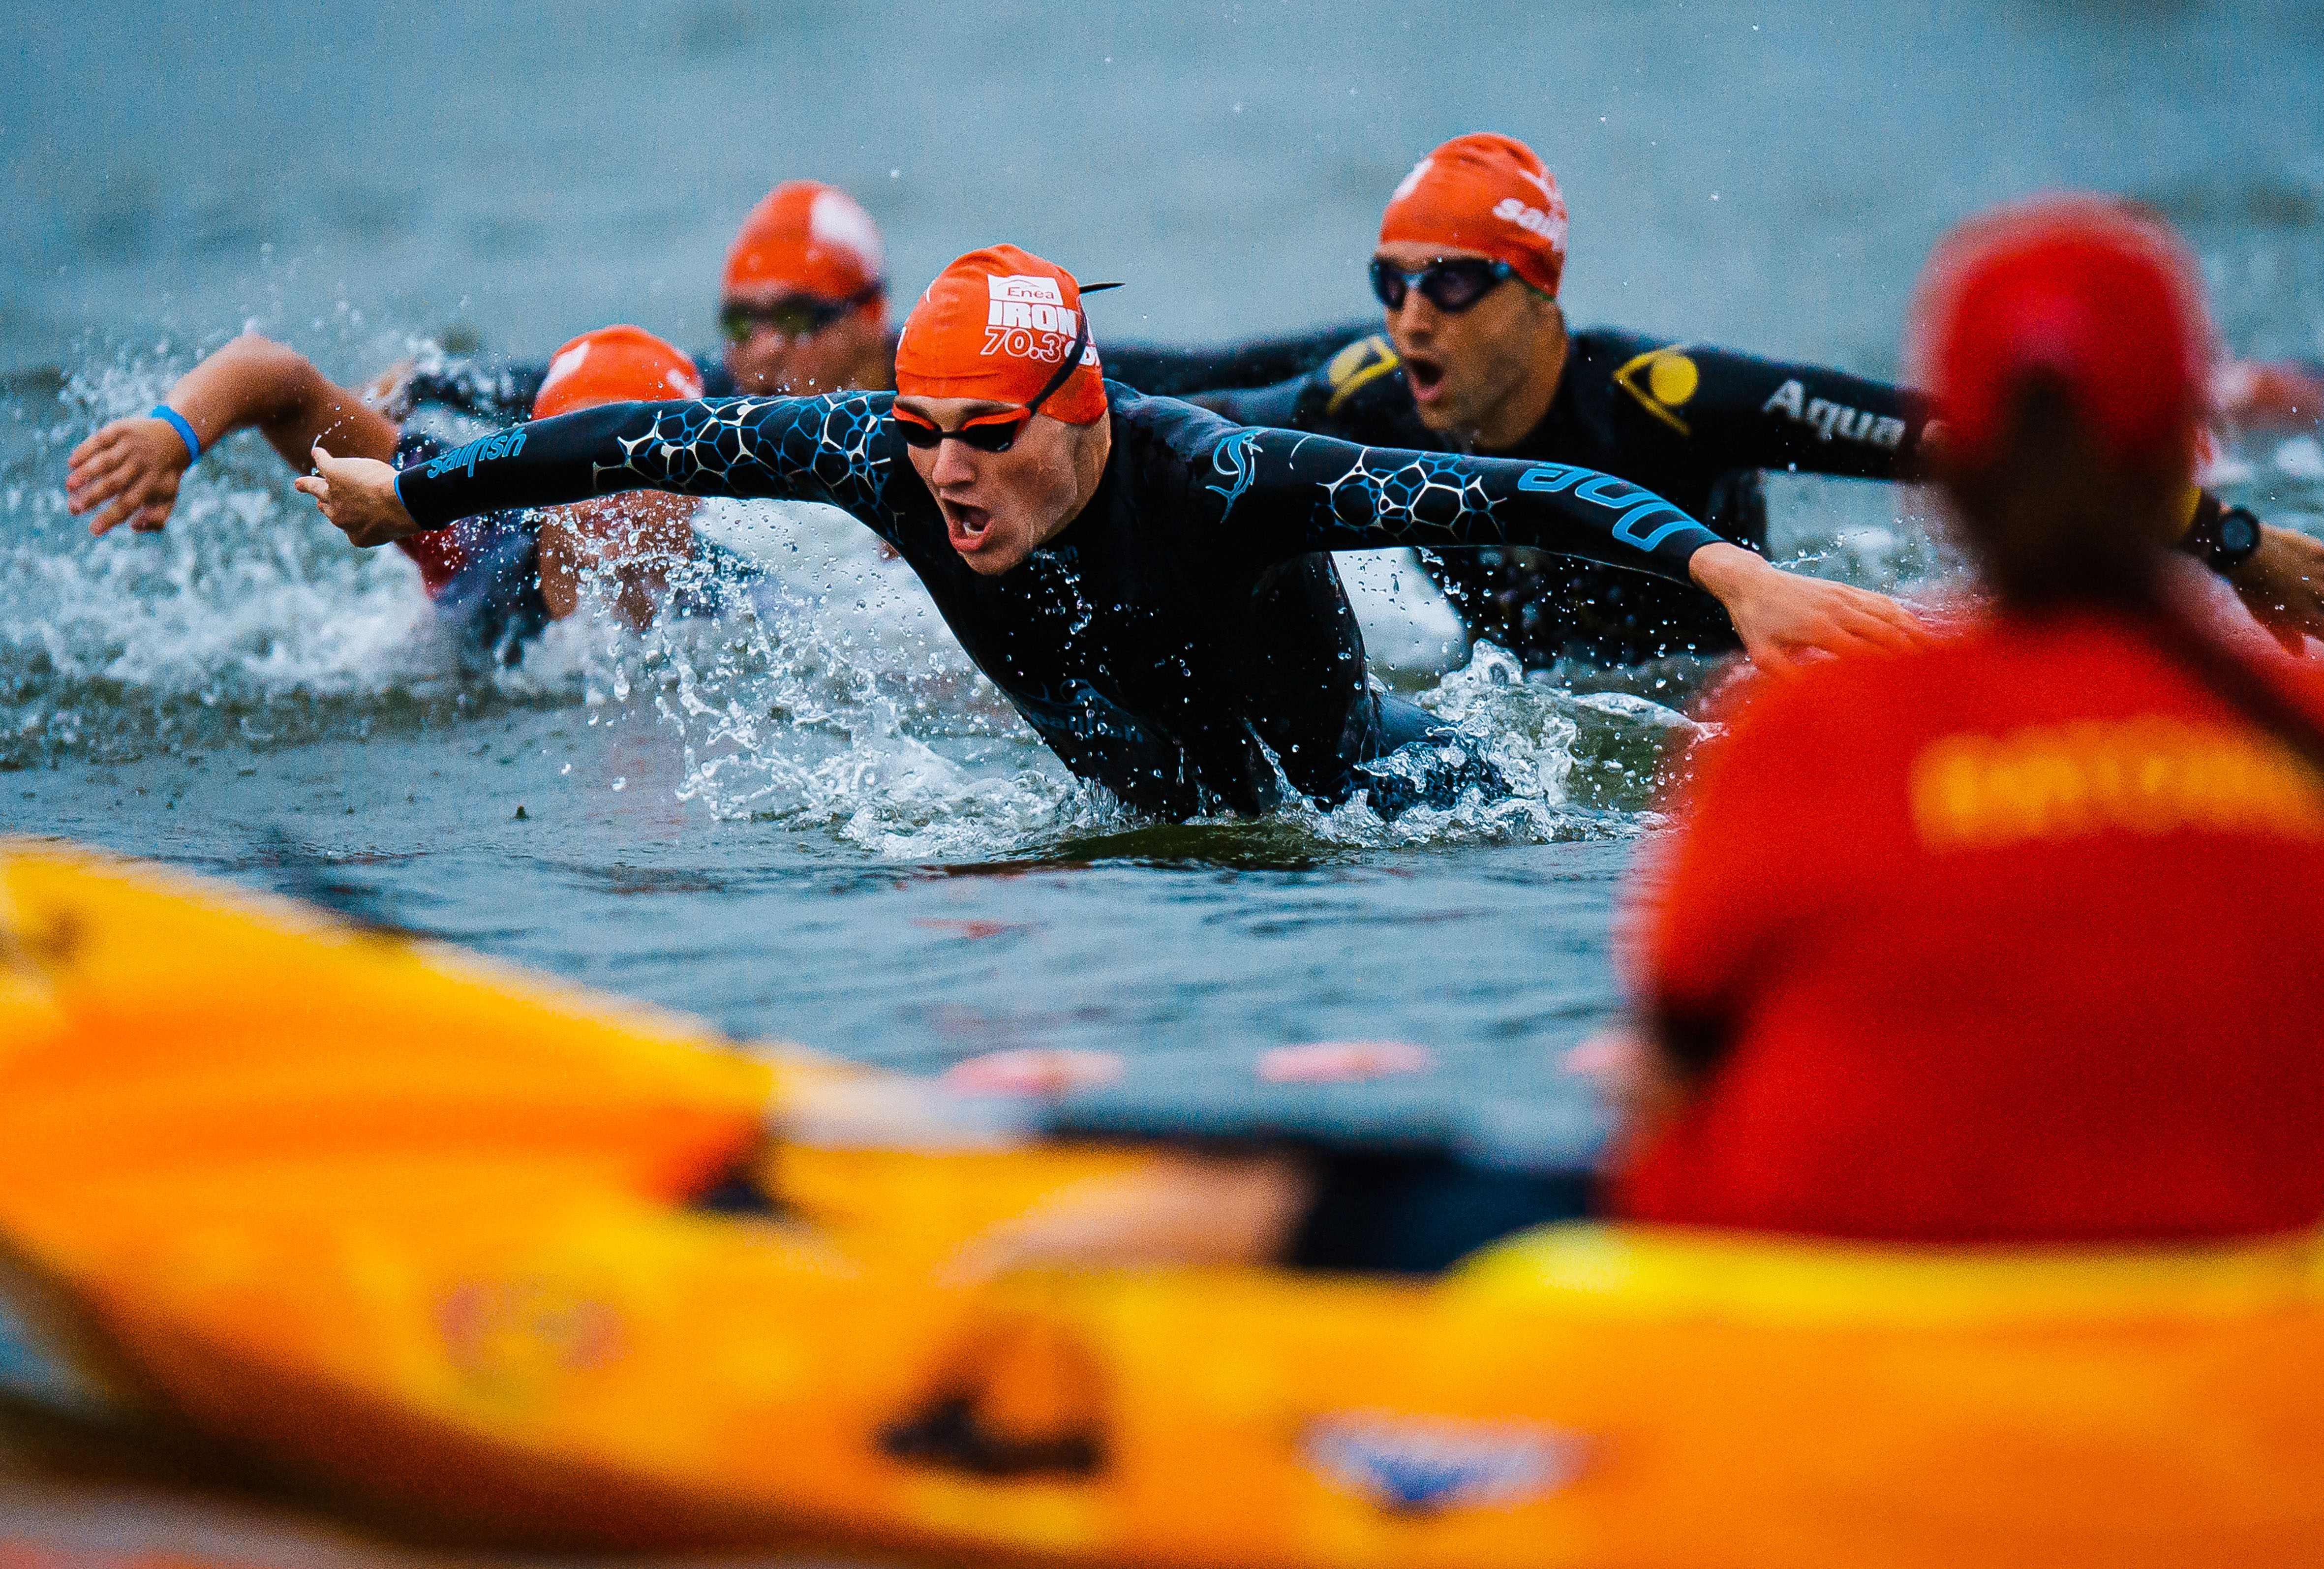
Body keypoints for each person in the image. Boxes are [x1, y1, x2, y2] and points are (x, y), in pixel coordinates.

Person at [293, 243, 1926, 821]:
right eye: (922, 431)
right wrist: (414, 491)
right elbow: (636, 433)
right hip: (1138, 814)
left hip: (1374, 806)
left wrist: (1729, 572)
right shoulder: (875, 455)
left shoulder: (1219, 475)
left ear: (1079, 415)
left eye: (986, 435)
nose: (945, 474)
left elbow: (1503, 492)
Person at [1613, 194, 2324, 1240]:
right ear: (2188, 453)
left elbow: (1664, 1089)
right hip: (2247, 1309)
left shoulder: (1810, 729)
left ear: (1943, 480)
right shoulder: (2295, 722)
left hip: (1875, 1302)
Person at [1191, 133, 2324, 665]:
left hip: (1717, 681)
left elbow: (1973, 436)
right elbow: (1177, 412)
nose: (1410, 317)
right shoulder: (1366, 391)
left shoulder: (1666, 397)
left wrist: (2228, 538)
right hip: (1537, 699)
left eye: (1447, 283)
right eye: (1388, 284)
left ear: (1538, 293)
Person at [394, 179, 1349, 425]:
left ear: (868, 318)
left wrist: (1378, 348)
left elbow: (1217, 373)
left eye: (794, 319)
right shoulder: (726, 392)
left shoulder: (975, 380)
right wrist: (430, 380)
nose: (762, 350)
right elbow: (577, 398)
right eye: (741, 322)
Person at [64, 324, 711, 662]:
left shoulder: (738, 608)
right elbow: (275, 375)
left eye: (638, 466)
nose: (606, 492)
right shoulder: (469, 532)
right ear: (533, 478)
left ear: (698, 487)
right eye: (578, 465)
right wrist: (173, 435)